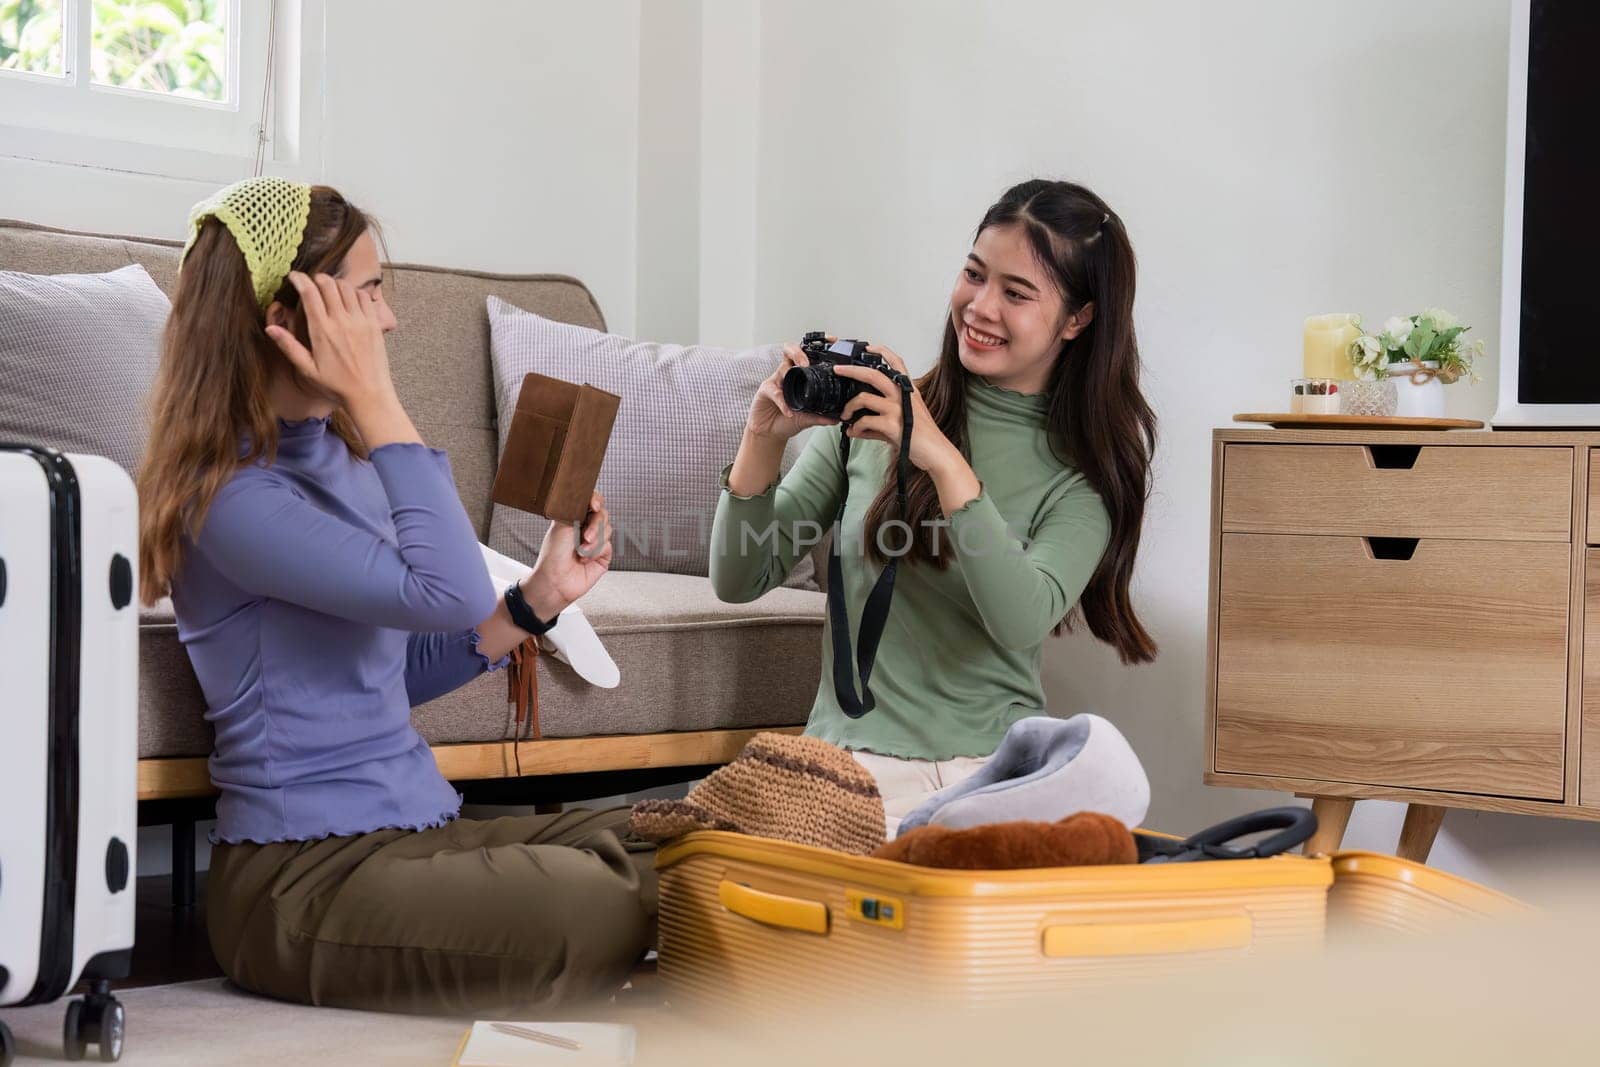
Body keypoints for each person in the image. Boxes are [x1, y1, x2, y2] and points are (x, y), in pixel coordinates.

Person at [137, 177, 653, 1014]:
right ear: (290, 315)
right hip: (301, 878)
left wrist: (535, 600)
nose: (389, 321)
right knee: (589, 902)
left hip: (417, 834)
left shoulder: (334, 458)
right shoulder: (228, 498)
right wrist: (375, 400)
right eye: (370, 294)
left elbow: (389, 674)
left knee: (689, 838)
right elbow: (446, 589)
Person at [711, 179, 1158, 833]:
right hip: (844, 770)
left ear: (1077, 318)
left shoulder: (1082, 480)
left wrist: (940, 458)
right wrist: (762, 438)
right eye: (974, 274)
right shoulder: (874, 418)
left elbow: (1020, 616)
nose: (980, 306)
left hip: (985, 777)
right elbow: (738, 577)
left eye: (1016, 292)